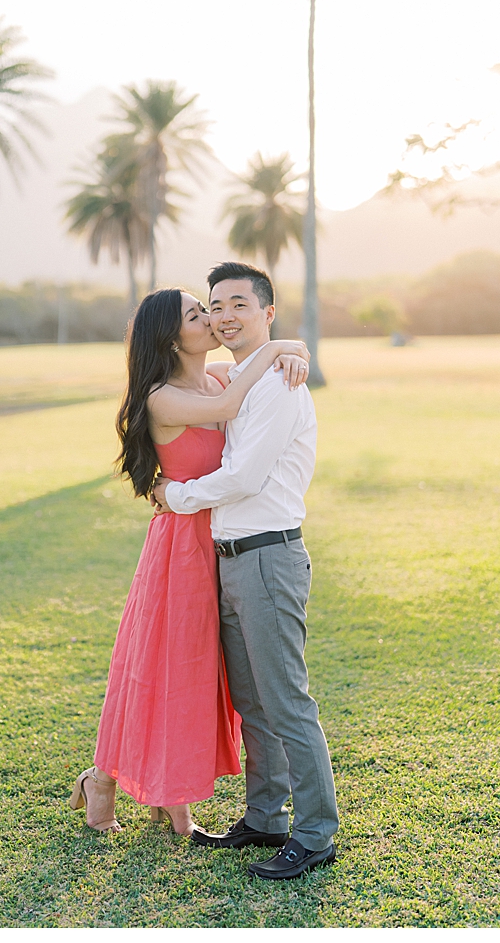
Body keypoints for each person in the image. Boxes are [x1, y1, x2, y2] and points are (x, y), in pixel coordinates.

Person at [71, 286, 311, 835]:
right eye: (196, 314)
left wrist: (290, 349)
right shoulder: (162, 396)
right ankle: (103, 779)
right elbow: (228, 411)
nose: (211, 319)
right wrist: (280, 350)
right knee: (161, 667)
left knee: (201, 672)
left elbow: (248, 388)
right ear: (171, 336)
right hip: (181, 546)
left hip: (225, 540)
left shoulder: (221, 376)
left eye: (209, 309)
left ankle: (167, 793)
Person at [151, 260, 340, 881]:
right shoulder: (245, 377)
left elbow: (245, 477)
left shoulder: (282, 387)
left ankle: (315, 833)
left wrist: (172, 496)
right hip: (230, 560)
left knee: (286, 701)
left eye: (238, 304)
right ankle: (265, 817)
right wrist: (288, 346)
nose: (224, 317)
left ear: (266, 310)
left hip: (268, 556)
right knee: (252, 702)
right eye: (215, 307)